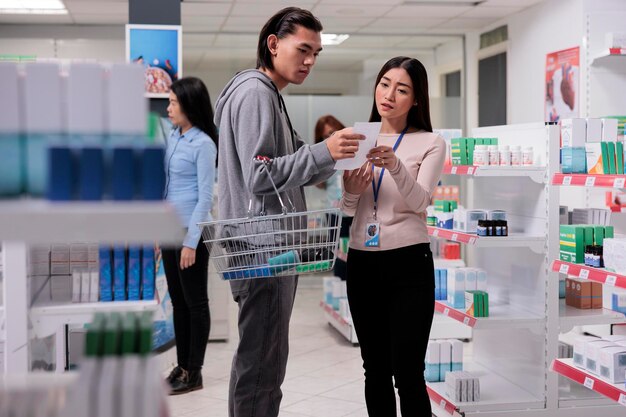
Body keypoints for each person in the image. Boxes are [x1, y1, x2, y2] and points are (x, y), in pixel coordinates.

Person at [213, 7, 364, 417]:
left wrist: (334, 154)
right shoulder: (256, 93)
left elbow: (296, 161)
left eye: (317, 52)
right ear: (273, 44)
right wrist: (323, 152)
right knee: (261, 363)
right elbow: (259, 175)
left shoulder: (267, 95)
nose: (310, 61)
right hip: (263, 247)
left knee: (263, 360)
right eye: (303, 49)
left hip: (263, 244)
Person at [341, 56, 446, 416]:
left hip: (408, 263)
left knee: (408, 373)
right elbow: (346, 209)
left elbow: (421, 202)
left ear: (416, 99)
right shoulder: (357, 137)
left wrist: (397, 166)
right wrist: (351, 190)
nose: (389, 94)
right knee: (375, 370)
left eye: (402, 89)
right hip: (362, 261)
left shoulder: (431, 142)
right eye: (384, 84)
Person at [162, 76, 218, 395]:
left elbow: (205, 198)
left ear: (189, 105)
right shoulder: (175, 136)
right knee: (178, 302)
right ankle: (181, 366)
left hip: (191, 231)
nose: (169, 107)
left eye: (173, 102)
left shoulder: (204, 144)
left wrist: (190, 242)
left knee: (195, 302)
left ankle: (193, 372)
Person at [314, 115, 352, 279]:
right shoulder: (324, 155)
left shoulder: (353, 150)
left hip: (354, 210)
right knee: (339, 253)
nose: (331, 137)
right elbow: (319, 182)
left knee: (358, 251)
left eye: (333, 132)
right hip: (334, 213)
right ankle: (340, 292)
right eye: (325, 136)